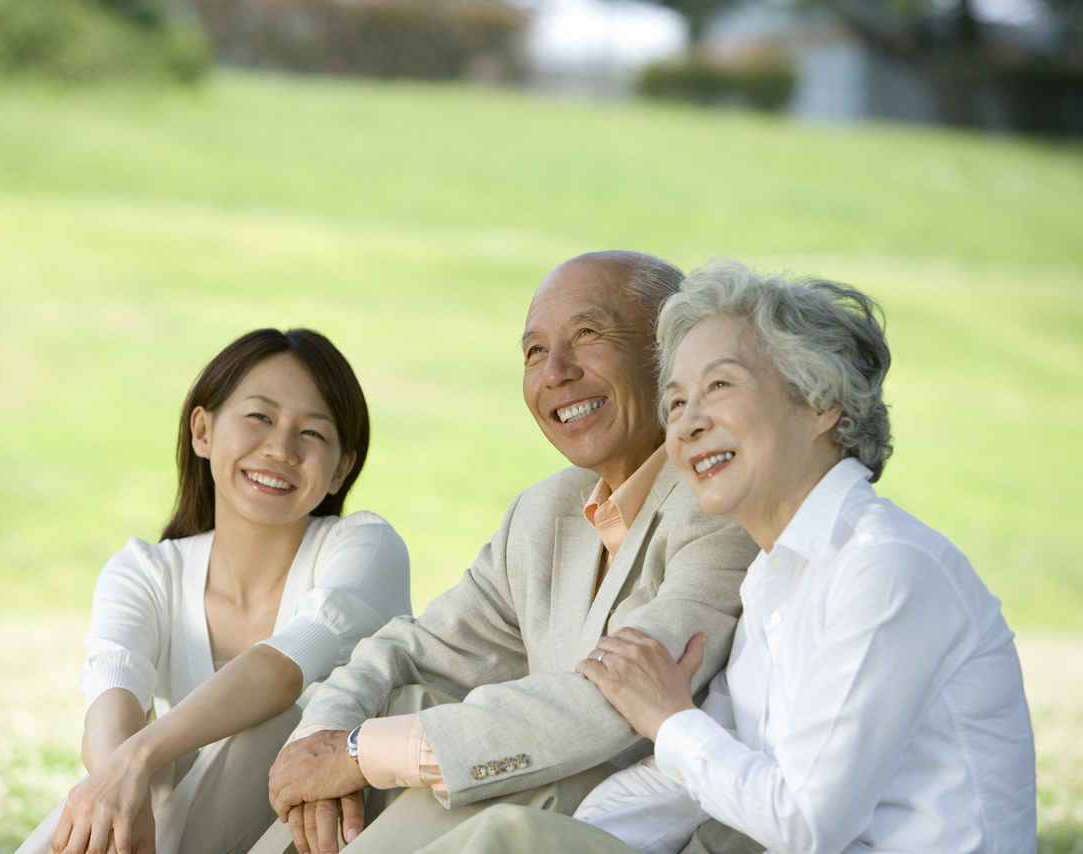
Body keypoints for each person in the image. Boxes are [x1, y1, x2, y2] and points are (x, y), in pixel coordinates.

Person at [419, 260, 1037, 854]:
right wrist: (563, 836)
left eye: (718, 386)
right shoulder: (774, 575)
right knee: (511, 836)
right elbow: (681, 784)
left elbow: (805, 823)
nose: (686, 427)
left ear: (820, 402)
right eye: (676, 402)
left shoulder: (885, 568)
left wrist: (667, 718)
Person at [261, 251, 761, 854]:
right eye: (534, 352)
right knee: (392, 709)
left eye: (588, 333)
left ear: (672, 352)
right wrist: (325, 735)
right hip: (548, 807)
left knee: (415, 754)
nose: (555, 373)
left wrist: (356, 755)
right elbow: (412, 650)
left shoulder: (720, 502)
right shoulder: (544, 512)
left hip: (643, 831)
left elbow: (621, 697)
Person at [16, 328, 412, 854]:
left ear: (341, 468)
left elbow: (284, 668)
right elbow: (113, 694)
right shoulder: (145, 571)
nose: (280, 449)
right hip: (206, 826)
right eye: (260, 417)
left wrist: (136, 761)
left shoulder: (366, 547)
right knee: (129, 777)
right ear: (202, 431)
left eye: (312, 433)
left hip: (329, 826)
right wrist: (120, 781)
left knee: (276, 720)